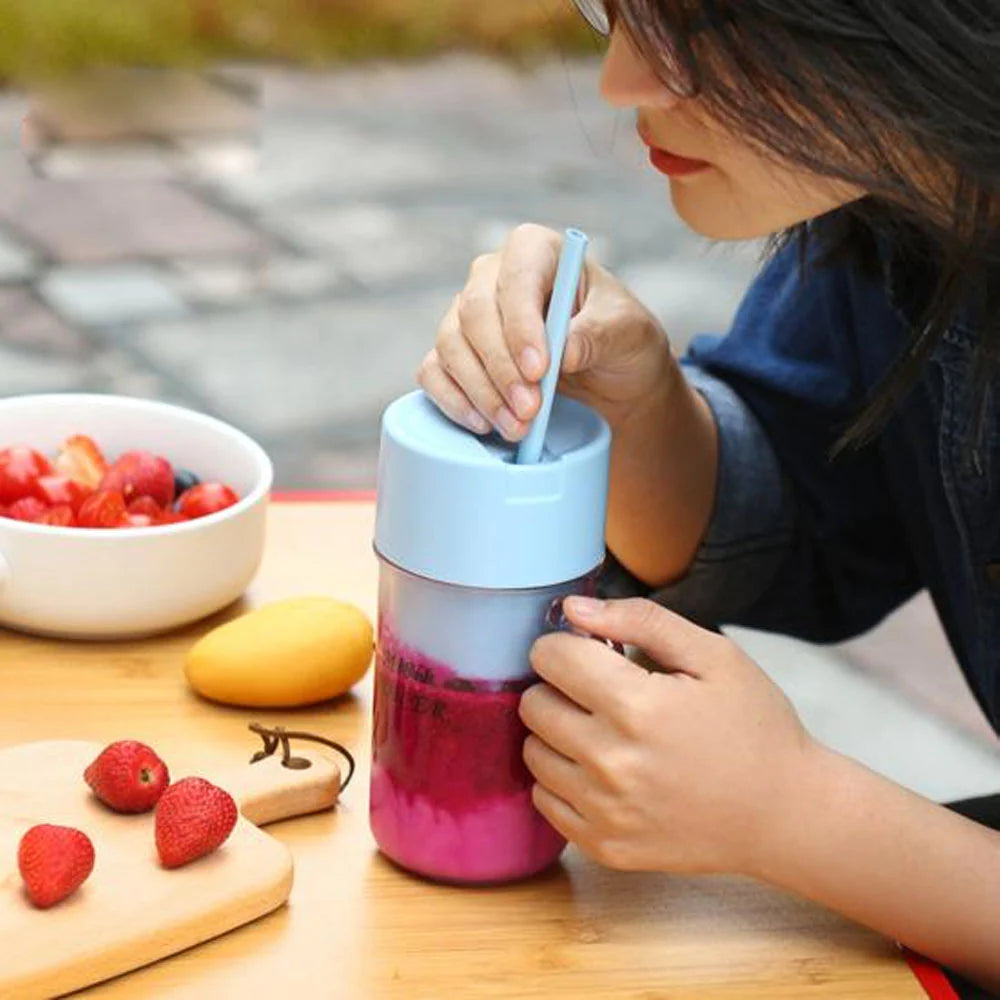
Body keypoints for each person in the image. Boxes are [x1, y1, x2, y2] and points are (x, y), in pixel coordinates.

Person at [416, 0, 1000, 995]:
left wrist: (797, 812)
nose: (622, 85)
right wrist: (642, 406)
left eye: (704, 24)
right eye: (618, 12)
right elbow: (811, 514)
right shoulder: (903, 191)